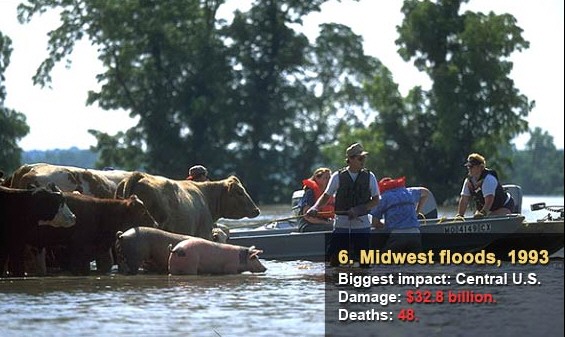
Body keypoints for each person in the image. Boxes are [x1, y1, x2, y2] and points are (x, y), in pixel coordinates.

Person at [307, 143, 380, 267]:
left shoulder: (370, 176)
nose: (363, 161)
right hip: (341, 224)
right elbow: (326, 196)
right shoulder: (337, 176)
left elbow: (376, 200)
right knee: (334, 262)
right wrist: (315, 208)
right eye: (360, 158)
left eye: (364, 158)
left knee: (365, 264)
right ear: (350, 159)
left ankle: (363, 285)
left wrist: (359, 209)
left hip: (362, 225)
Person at [370, 177, 430, 253]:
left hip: (397, 236)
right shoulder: (408, 191)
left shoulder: (382, 198)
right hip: (415, 234)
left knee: (382, 260)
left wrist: (386, 226)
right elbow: (426, 192)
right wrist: (417, 212)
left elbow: (375, 223)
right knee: (415, 260)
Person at [456, 153, 515, 218]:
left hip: (504, 206)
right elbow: (464, 199)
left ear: (480, 167)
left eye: (471, 166)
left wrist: (483, 214)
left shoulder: (488, 179)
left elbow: (489, 200)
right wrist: (460, 216)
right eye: (468, 166)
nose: (469, 169)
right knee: (477, 217)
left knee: (489, 217)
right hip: (486, 209)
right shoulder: (468, 181)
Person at [297, 168, 335, 232]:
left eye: (330, 178)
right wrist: (326, 222)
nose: (329, 180)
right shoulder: (310, 193)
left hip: (324, 224)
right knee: (333, 227)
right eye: (326, 178)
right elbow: (308, 217)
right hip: (307, 225)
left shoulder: (329, 194)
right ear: (317, 179)